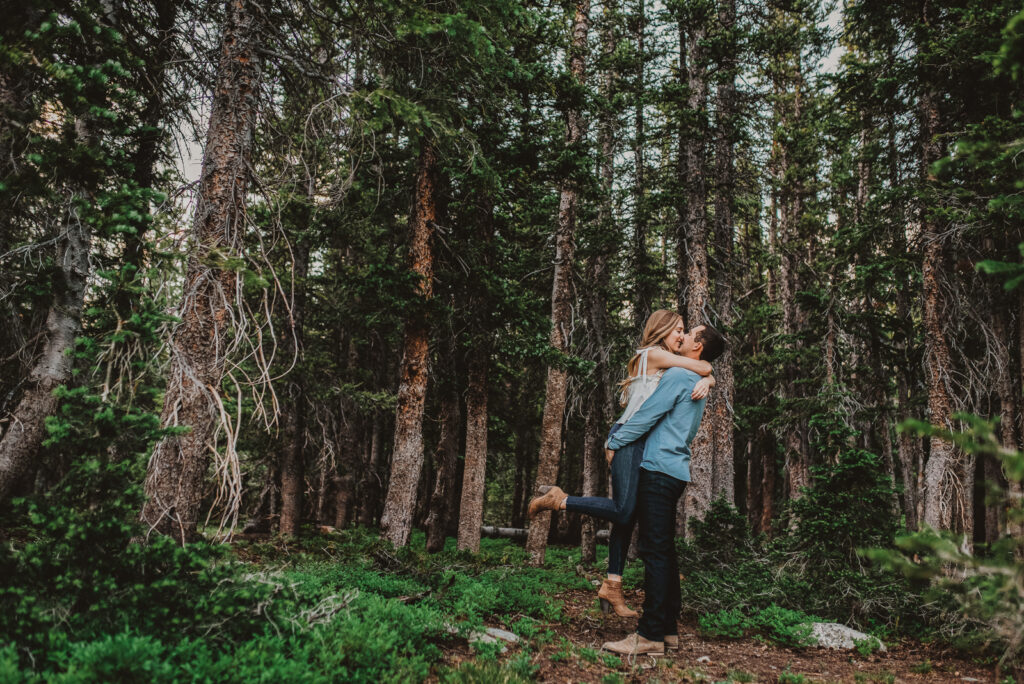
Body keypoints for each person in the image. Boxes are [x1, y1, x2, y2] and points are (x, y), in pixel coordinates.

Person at [527, 310, 714, 617]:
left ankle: (613, 586)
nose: (681, 335)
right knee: (624, 509)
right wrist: (709, 375)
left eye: (684, 331)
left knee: (627, 515)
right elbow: (701, 364)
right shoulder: (651, 355)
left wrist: (708, 379)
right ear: (661, 329)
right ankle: (560, 500)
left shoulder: (666, 360)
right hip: (627, 438)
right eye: (678, 329)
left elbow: (694, 370)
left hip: (642, 441)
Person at [600, 322, 727, 656]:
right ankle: (668, 630)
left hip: (657, 470)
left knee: (654, 552)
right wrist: (709, 376)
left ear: (698, 346)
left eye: (690, 334)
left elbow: (646, 415)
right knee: (665, 551)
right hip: (676, 472)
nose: (683, 337)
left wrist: (615, 440)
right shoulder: (695, 379)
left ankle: (650, 635)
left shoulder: (677, 377)